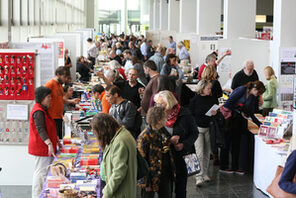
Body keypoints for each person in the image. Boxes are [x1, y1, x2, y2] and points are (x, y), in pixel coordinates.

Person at [154, 90, 198, 198]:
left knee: (181, 188)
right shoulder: (157, 115)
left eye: (161, 104)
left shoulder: (185, 114)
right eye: (157, 103)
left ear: (169, 102)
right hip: (165, 157)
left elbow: (194, 133)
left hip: (182, 156)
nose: (158, 106)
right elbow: (154, 134)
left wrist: (183, 144)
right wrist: (169, 140)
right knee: (166, 188)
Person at [220, 81, 265, 174]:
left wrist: (260, 125)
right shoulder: (241, 90)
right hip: (230, 119)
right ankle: (223, 166)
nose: (258, 95)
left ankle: (235, 167)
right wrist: (239, 109)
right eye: (259, 93)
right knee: (227, 142)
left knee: (237, 143)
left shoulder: (252, 97)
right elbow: (228, 103)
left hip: (239, 121)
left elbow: (251, 113)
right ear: (255, 89)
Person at [91, 113, 137, 198]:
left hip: (121, 192)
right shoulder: (120, 134)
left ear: (104, 130)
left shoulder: (120, 141)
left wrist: (106, 193)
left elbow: (119, 172)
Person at [137, 106, 175, 198]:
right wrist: (145, 183)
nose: (167, 118)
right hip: (151, 176)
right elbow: (140, 162)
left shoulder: (162, 130)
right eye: (165, 117)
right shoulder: (144, 136)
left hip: (165, 172)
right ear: (158, 119)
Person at [29, 86, 58, 198]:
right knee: (40, 174)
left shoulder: (43, 109)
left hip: (45, 147)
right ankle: (37, 195)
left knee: (43, 173)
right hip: (41, 148)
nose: (50, 99)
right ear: (41, 98)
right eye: (48, 97)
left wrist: (55, 139)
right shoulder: (38, 111)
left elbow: (49, 127)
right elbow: (40, 129)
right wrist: (50, 143)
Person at [189, 80, 218, 186]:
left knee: (207, 152)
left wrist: (215, 113)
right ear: (202, 89)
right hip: (198, 129)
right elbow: (190, 115)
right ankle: (198, 176)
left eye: (210, 88)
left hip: (209, 128)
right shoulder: (195, 100)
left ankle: (205, 173)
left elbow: (216, 111)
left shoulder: (212, 99)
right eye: (208, 88)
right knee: (199, 153)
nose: (210, 90)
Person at [45, 67, 79, 139]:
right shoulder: (50, 85)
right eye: (63, 77)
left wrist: (71, 101)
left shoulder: (60, 85)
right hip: (52, 117)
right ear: (57, 74)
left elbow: (61, 99)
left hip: (59, 116)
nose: (64, 79)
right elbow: (43, 100)